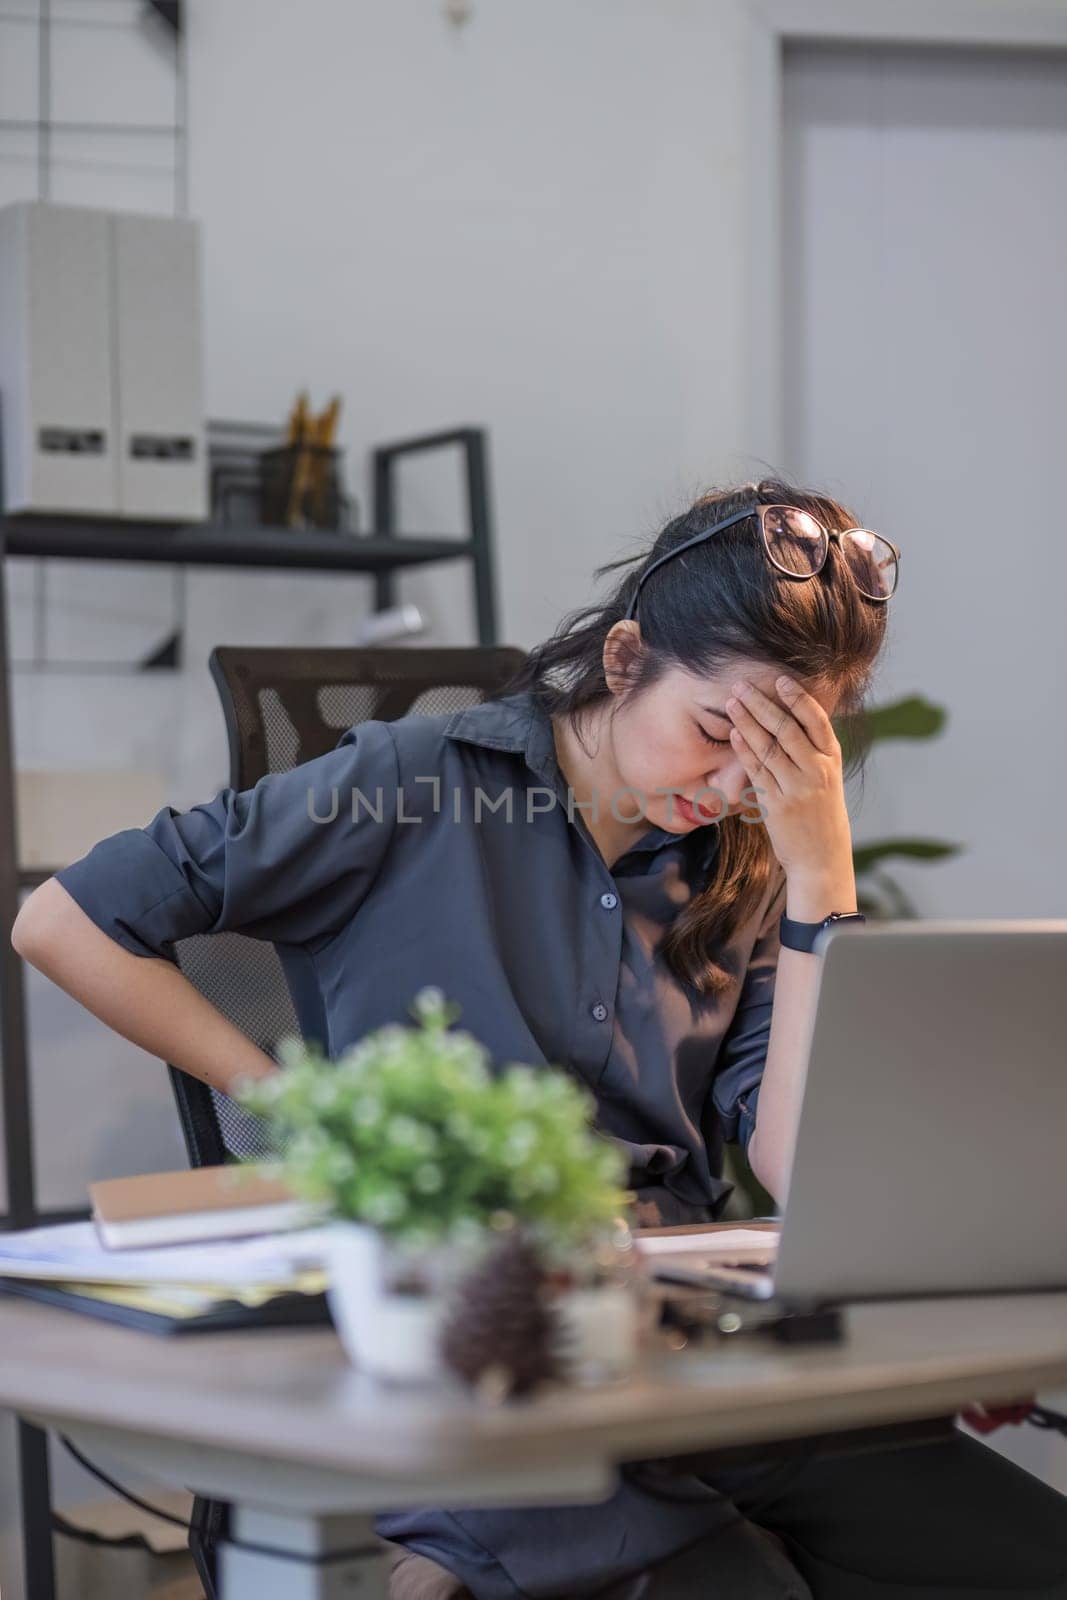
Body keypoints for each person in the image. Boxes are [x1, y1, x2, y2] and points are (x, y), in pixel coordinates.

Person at [13, 479, 1067, 1598]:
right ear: (623, 662)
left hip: (680, 1357)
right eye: (715, 731)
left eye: (770, 764)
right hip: (478, 1362)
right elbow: (61, 918)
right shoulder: (408, 786)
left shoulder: (745, 869)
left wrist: (818, 877)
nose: (726, 787)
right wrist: (282, 1098)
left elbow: (792, 1166)